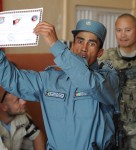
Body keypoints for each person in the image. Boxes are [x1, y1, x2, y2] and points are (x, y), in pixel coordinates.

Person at [0, 19, 120, 150]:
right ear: (72, 45)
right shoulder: (50, 79)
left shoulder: (108, 79)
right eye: (80, 41)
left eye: (91, 44)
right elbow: (12, 80)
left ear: (100, 52)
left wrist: (55, 44)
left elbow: (89, 83)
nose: (84, 48)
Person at [98, 13, 136, 150]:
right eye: (119, 30)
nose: (123, 35)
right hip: (111, 132)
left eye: (128, 30)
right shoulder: (105, 59)